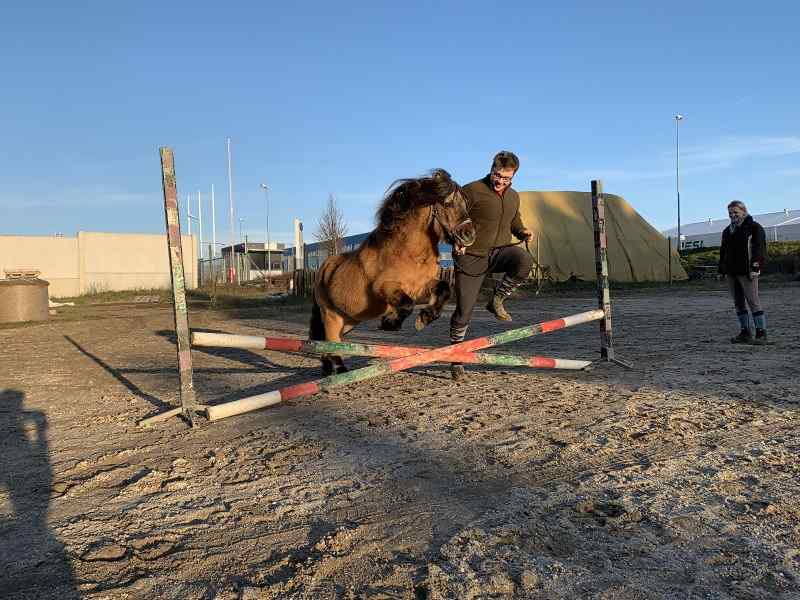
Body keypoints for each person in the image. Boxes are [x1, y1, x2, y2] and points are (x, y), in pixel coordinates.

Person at [449, 151, 533, 380]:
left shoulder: (514, 196)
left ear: (513, 175)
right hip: (471, 256)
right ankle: (457, 358)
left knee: (523, 260)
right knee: (464, 311)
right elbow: (451, 220)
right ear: (491, 169)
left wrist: (522, 231)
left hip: (499, 252)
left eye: (506, 178)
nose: (500, 182)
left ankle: (496, 300)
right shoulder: (471, 190)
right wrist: (456, 241)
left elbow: (514, 221)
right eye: (497, 176)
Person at [718, 200, 768, 345]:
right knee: (738, 303)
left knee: (753, 301)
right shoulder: (727, 231)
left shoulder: (754, 228)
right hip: (731, 272)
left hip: (747, 272)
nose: (732, 215)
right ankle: (745, 332)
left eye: (735, 212)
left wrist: (755, 267)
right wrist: (721, 270)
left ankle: (761, 333)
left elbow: (759, 249)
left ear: (744, 211)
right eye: (730, 213)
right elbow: (723, 252)